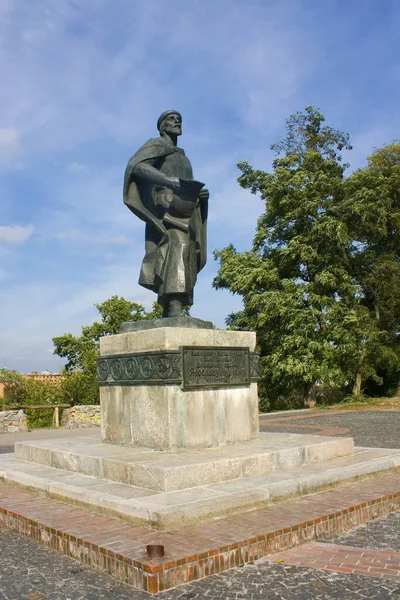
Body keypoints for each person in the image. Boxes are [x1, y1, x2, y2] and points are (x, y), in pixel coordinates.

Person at [123, 111, 209, 317]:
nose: (176, 121)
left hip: (187, 208)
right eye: (171, 119)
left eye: (178, 119)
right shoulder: (156, 145)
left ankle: (171, 306)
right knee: (178, 246)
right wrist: (167, 181)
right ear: (162, 127)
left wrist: (201, 198)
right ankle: (174, 304)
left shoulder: (183, 156)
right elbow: (137, 167)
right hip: (167, 208)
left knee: (186, 253)